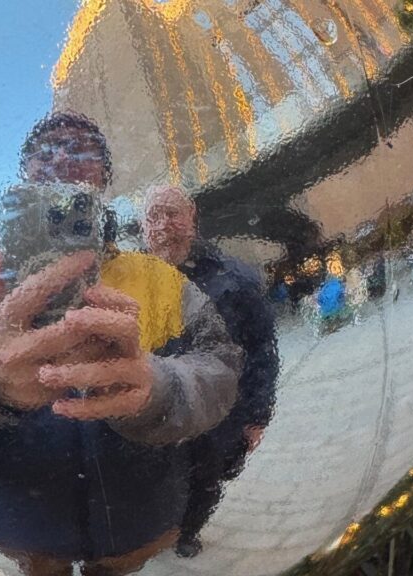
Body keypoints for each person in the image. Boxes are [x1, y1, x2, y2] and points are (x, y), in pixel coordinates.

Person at [0, 113, 243, 576]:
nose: (62, 157)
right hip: (20, 527)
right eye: (46, 150)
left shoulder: (160, 279)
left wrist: (159, 388)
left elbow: (222, 368)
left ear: (104, 178)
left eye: (81, 148)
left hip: (139, 522)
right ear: (25, 173)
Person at [143, 185, 279, 558]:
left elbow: (262, 349)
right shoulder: (134, 280)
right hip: (155, 410)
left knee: (206, 479)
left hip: (218, 414)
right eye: (152, 217)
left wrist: (257, 415)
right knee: (155, 478)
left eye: (172, 214)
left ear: (192, 218)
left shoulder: (234, 278)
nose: (162, 226)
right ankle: (159, 528)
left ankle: (188, 531)